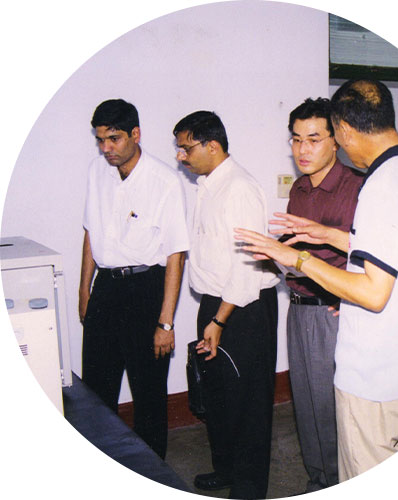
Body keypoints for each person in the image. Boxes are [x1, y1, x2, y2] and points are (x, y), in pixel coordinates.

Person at [235, 79, 398, 481]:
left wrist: (297, 258)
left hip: (380, 374)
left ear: (345, 132)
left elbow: (372, 292)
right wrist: (331, 236)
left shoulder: (379, 184)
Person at [173, 111, 279, 499]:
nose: (181, 156)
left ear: (212, 146)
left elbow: (247, 266)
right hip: (216, 304)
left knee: (248, 402)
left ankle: (249, 488)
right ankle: (227, 470)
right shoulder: (209, 185)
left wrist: (218, 321)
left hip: (243, 309)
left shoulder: (239, 188)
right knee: (219, 396)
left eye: (186, 148)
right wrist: (213, 315)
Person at [79, 98, 190, 459]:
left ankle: (152, 472)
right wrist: (84, 292)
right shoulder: (97, 171)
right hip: (105, 288)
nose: (106, 148)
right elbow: (90, 233)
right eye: (100, 140)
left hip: (146, 291)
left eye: (114, 139)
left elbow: (175, 255)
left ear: (135, 134)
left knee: (148, 394)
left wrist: (166, 323)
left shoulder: (164, 181)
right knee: (96, 390)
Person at [273, 98, 362, 492]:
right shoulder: (299, 189)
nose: (302, 150)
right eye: (296, 140)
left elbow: (368, 253)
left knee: (333, 407)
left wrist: (350, 300)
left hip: (334, 311)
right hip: (298, 307)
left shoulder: (355, 187)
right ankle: (317, 480)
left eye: (313, 139)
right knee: (306, 404)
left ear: (335, 140)